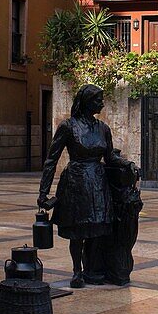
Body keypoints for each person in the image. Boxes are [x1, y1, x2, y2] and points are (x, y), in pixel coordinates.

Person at [37, 84, 125, 287]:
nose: (101, 103)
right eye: (97, 100)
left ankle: (92, 269)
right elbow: (51, 160)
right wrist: (43, 192)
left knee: (96, 228)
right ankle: (77, 270)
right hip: (76, 183)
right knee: (78, 230)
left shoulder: (103, 128)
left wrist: (127, 164)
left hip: (97, 183)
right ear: (86, 102)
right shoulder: (68, 126)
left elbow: (110, 157)